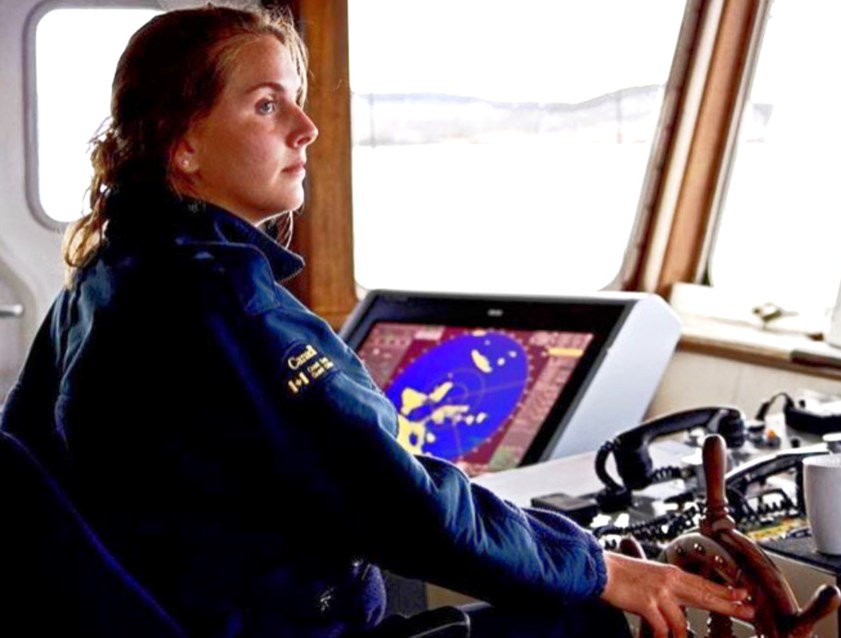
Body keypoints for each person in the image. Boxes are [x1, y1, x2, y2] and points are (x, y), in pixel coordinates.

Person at [0, 5, 755, 638]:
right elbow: (410, 508)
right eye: (266, 105)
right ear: (185, 144)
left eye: (296, 99)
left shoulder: (106, 276)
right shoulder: (234, 311)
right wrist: (602, 567)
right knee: (589, 618)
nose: (306, 128)